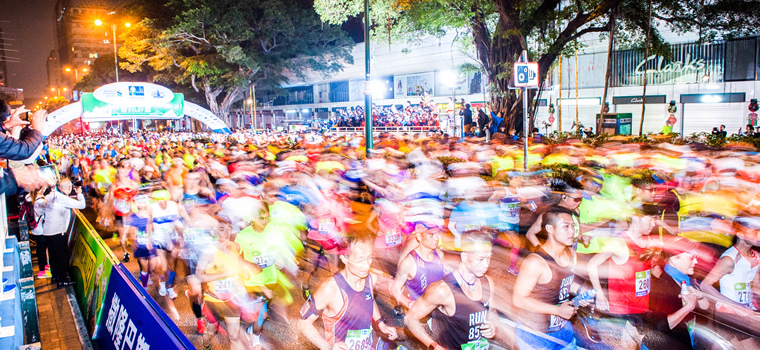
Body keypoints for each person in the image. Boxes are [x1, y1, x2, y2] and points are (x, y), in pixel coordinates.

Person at [298, 234, 398, 350]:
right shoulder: (331, 288)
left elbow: (369, 299)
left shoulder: (369, 278)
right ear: (345, 259)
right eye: (360, 260)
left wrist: (381, 324)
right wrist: (328, 347)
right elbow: (302, 323)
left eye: (369, 258)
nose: (366, 265)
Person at [513, 208, 593, 350]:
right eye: (566, 226)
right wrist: (557, 311)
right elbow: (519, 299)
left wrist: (580, 291)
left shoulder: (569, 253)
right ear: (550, 228)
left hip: (562, 329)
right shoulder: (536, 262)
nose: (572, 231)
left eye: (573, 227)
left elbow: (563, 282)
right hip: (535, 335)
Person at [405, 231, 497, 350]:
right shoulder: (443, 290)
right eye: (481, 259)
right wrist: (434, 346)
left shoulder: (488, 283)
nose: (486, 264)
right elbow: (410, 319)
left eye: (489, 258)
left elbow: (492, 313)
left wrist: (492, 326)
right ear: (464, 257)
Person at [700, 216, 760, 347]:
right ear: (740, 234)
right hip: (728, 315)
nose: (759, 234)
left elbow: (755, 286)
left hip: (744, 315)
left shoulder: (757, 257)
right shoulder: (729, 259)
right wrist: (735, 306)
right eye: (754, 231)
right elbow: (705, 285)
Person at [642, 237, 709, 350]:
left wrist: (700, 297)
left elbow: (705, 308)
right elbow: (659, 327)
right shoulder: (662, 285)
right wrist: (688, 307)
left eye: (696, 257)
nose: (696, 262)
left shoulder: (688, 280)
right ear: (674, 258)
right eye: (691, 258)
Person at [36, 178, 86, 288]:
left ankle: (55, 277)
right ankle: (62, 280)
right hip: (58, 232)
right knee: (61, 256)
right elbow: (82, 205)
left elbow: (39, 210)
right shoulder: (61, 198)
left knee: (53, 256)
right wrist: (80, 194)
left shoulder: (49, 196)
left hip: (47, 231)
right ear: (69, 188)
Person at [391, 222, 446, 312]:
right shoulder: (409, 262)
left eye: (437, 234)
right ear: (419, 237)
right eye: (431, 235)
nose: (437, 238)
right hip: (421, 313)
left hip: (440, 311)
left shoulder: (440, 255)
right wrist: (408, 303)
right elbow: (395, 288)